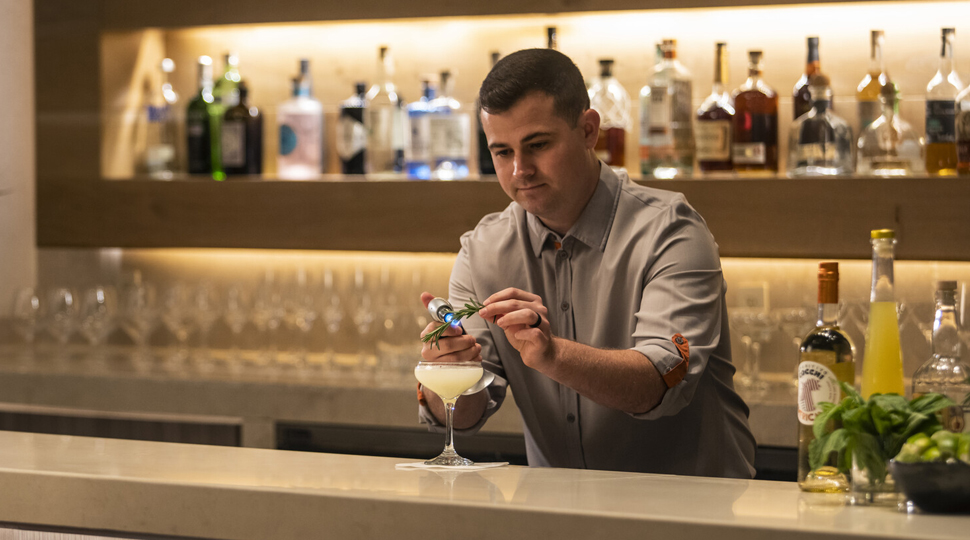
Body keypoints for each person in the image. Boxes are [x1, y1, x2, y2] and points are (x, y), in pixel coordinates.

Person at [417, 48, 756, 478]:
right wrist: (445, 372)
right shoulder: (482, 250)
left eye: (537, 145)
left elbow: (660, 380)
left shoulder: (672, 232)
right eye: (502, 152)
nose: (520, 170)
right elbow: (468, 414)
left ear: (589, 130)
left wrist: (553, 354)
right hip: (561, 514)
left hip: (690, 515)